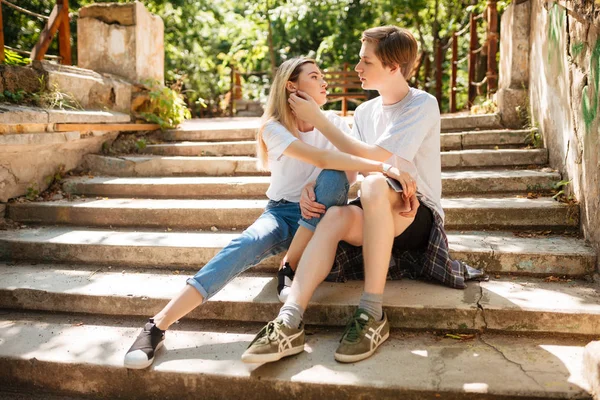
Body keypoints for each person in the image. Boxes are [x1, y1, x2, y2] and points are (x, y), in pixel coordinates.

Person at [123, 56, 413, 369]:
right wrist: (385, 166)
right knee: (243, 246)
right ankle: (157, 325)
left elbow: (346, 173)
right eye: (314, 76)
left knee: (332, 176)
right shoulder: (273, 128)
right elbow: (317, 156)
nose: (324, 81)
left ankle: (289, 265)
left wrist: (313, 183)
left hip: (325, 214)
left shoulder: (333, 123)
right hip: (281, 214)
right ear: (292, 86)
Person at [242, 26, 484, 365]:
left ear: (393, 67)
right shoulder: (365, 113)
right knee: (335, 215)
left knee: (373, 184)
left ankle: (372, 313)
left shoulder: (422, 104)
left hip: (415, 214)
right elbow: (353, 168)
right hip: (376, 211)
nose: (357, 68)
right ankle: (289, 320)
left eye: (365, 62)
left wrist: (318, 120)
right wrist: (313, 183)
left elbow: (377, 159)